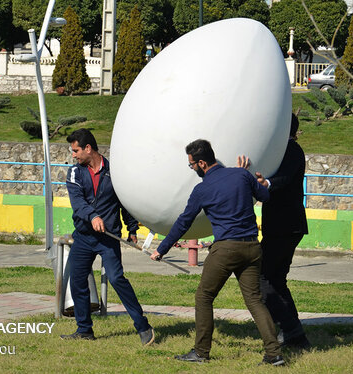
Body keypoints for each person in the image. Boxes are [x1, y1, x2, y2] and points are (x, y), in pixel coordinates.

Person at [150, 139, 285, 366]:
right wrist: (251, 180)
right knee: (254, 301)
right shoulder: (242, 175)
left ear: (202, 163)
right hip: (252, 247)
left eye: (191, 164)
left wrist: (161, 249)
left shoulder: (202, 189)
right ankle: (274, 354)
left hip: (226, 249)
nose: (192, 168)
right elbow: (265, 196)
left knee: (203, 297)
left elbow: (184, 223)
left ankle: (201, 352)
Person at [60, 128, 154, 345]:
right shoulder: (74, 173)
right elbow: (78, 204)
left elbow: (124, 202)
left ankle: (143, 326)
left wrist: (132, 229)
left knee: (116, 278)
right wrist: (92, 216)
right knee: (77, 279)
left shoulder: (115, 172)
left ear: (88, 148)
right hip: (83, 237)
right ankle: (84, 329)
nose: (73, 155)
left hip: (108, 238)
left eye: (76, 151)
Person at [248, 114, 311, 350]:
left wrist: (267, 184)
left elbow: (282, 179)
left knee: (262, 277)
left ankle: (291, 329)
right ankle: (294, 332)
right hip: (281, 226)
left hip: (287, 226)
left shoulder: (292, 150)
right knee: (275, 279)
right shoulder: (282, 150)